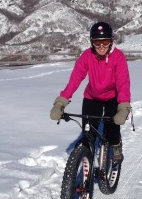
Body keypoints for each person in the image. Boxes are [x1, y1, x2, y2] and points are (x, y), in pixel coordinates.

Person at [50, 21, 131, 163]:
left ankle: (116, 145)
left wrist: (124, 106)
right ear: (91, 42)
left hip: (113, 97)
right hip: (92, 97)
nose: (101, 46)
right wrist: (61, 102)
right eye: (97, 42)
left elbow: (123, 82)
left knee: (112, 128)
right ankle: (88, 162)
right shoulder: (87, 56)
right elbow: (75, 79)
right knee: (88, 134)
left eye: (105, 42)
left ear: (111, 41)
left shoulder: (118, 57)